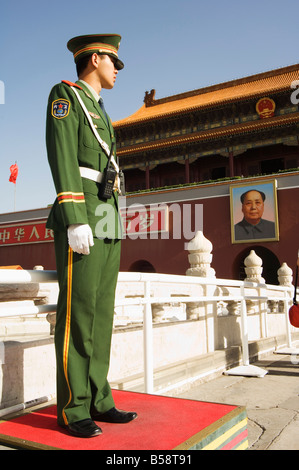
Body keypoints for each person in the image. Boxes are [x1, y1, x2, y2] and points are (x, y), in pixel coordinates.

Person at [46, 34, 137, 438]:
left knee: (101, 315)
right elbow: (62, 154)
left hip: (107, 216)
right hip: (82, 214)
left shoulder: (101, 110)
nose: (117, 69)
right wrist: (73, 217)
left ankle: (100, 399)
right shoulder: (65, 96)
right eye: (114, 62)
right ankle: (73, 406)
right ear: (95, 58)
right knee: (78, 313)